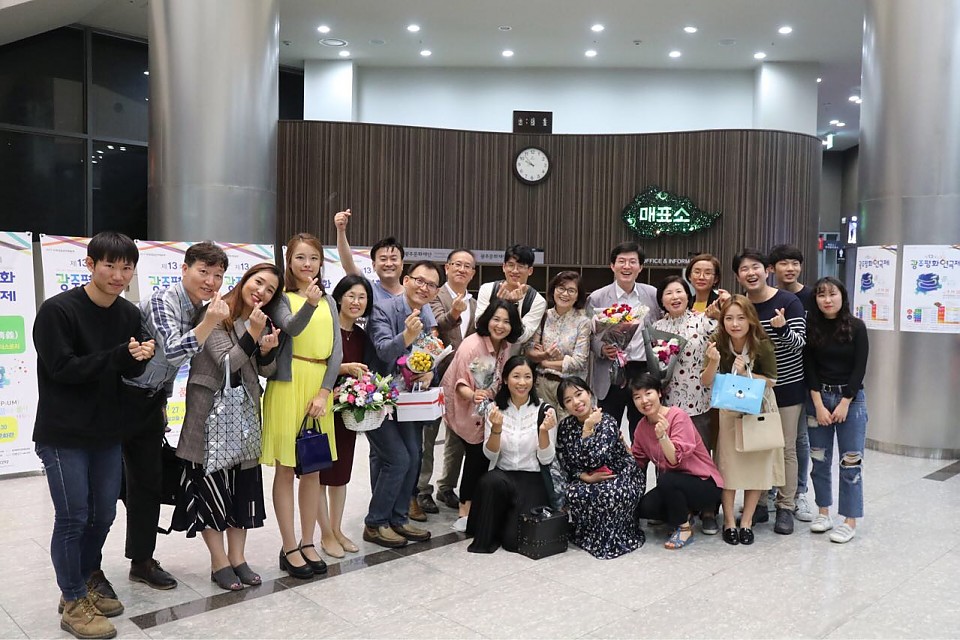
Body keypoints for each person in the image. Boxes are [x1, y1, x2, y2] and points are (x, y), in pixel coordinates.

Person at [33, 232, 154, 639]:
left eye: (126, 268)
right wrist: (120, 356)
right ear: (90, 264)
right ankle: (72, 601)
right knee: (73, 518)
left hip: (106, 431)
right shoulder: (57, 311)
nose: (118, 275)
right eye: (110, 266)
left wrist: (140, 358)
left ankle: (83, 583)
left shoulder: (128, 314)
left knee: (103, 515)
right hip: (62, 433)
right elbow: (62, 369)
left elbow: (127, 370)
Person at [117, 241, 229, 592]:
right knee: (102, 487)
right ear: (184, 269)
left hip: (150, 402)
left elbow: (167, 370)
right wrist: (210, 322)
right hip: (120, 399)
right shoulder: (165, 301)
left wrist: (163, 403)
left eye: (217, 275)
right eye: (203, 272)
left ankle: (142, 561)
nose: (210, 281)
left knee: (147, 484)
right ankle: (86, 570)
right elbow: (174, 351)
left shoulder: (200, 308)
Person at [174, 263, 282, 590]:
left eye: (270, 290)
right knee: (211, 490)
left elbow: (266, 371)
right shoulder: (215, 313)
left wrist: (267, 350)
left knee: (242, 490)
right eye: (258, 282)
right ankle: (219, 561)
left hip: (244, 418)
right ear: (245, 280)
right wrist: (252, 335)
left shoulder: (260, 321)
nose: (261, 292)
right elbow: (226, 363)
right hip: (210, 417)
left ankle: (238, 558)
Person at [261, 233, 343, 578]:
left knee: (313, 468)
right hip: (287, 385)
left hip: (318, 388)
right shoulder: (280, 298)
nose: (307, 264)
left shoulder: (330, 301)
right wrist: (309, 303)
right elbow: (292, 328)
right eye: (300, 258)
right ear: (289, 262)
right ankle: (289, 546)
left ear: (321, 262)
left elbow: (336, 352)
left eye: (313, 258)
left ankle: (309, 541)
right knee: (285, 469)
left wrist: (324, 393)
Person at [362, 260, 441, 547]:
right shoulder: (382, 309)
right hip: (378, 396)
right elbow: (384, 351)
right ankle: (375, 523)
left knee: (414, 456)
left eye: (431, 285)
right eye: (419, 280)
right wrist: (407, 335)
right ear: (406, 280)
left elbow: (428, 355)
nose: (424, 287)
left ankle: (398, 518)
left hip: (409, 399)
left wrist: (430, 371)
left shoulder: (426, 314)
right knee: (397, 458)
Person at [734, 248, 805, 535]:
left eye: (756, 267)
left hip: (787, 386)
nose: (751, 273)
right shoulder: (742, 305)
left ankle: (785, 506)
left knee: (786, 447)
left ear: (767, 270)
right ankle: (759, 504)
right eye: (744, 269)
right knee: (757, 445)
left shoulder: (788, 302)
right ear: (738, 276)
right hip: (755, 387)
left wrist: (783, 329)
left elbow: (800, 344)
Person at [701, 295, 780, 546]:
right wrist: (714, 362)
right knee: (728, 467)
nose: (735, 324)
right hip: (729, 409)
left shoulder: (762, 343)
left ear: (751, 320)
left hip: (758, 409)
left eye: (741, 318)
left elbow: (772, 380)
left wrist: (747, 372)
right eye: (729, 318)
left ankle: (746, 521)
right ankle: (729, 522)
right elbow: (706, 381)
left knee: (755, 465)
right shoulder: (717, 342)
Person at [651, 276, 723, 534]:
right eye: (668, 293)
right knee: (669, 457)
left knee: (701, 459)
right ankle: (676, 509)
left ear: (688, 295)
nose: (675, 297)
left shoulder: (704, 321)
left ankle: (709, 510)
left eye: (679, 291)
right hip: (669, 405)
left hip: (699, 402)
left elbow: (718, 352)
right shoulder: (657, 327)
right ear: (662, 300)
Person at [441, 299, 522, 531]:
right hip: (465, 406)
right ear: (487, 319)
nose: (500, 325)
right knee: (476, 455)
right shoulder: (473, 346)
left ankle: (478, 503)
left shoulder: (504, 345)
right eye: (496, 319)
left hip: (485, 406)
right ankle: (465, 510)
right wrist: (474, 395)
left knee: (485, 454)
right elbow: (460, 384)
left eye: (506, 321)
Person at [467, 356, 558, 553]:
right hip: (503, 475)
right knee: (489, 481)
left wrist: (543, 432)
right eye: (516, 376)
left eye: (527, 377)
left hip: (532, 477)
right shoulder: (493, 409)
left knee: (513, 542)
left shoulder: (545, 411)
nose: (522, 382)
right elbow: (490, 455)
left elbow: (546, 459)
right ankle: (495, 523)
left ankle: (505, 519)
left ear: (534, 380)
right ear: (506, 379)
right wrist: (496, 429)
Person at [803, 277, 869, 544]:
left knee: (850, 461)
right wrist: (819, 405)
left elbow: (860, 368)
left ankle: (849, 520)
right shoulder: (811, 327)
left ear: (843, 296)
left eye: (832, 294)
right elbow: (809, 369)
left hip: (850, 401)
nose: (827, 300)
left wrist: (845, 402)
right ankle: (823, 512)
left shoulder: (857, 327)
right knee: (819, 460)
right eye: (821, 295)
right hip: (818, 398)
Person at [554, 377, 645, 559]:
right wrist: (584, 477)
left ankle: (615, 535)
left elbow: (594, 460)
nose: (576, 402)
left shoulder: (607, 421)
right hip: (588, 477)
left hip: (620, 474)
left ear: (589, 393)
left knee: (609, 494)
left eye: (579, 394)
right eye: (568, 400)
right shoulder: (565, 426)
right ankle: (588, 535)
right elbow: (566, 460)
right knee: (572, 492)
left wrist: (587, 428)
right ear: (564, 407)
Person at [630, 374, 724, 550]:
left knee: (667, 479)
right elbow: (636, 461)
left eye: (648, 393)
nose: (644, 401)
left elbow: (674, 459)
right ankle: (685, 513)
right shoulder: (642, 427)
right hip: (675, 485)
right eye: (637, 397)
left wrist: (663, 437)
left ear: (659, 393)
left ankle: (684, 528)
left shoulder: (678, 416)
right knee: (645, 507)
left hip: (704, 483)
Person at [316, 274, 374, 558]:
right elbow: (313, 365)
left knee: (340, 475)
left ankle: (337, 529)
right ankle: (325, 533)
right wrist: (343, 369)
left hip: (345, 414)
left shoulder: (362, 336)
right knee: (317, 475)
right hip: (320, 408)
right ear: (338, 297)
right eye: (351, 295)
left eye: (362, 297)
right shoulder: (325, 327)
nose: (356, 302)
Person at [421, 249, 477, 512]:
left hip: (463, 380)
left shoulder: (475, 303)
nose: (461, 269)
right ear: (447, 268)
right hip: (434, 376)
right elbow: (437, 325)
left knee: (457, 436)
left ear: (473, 273)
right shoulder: (434, 294)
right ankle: (422, 489)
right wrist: (454, 312)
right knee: (428, 436)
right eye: (457, 264)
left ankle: (446, 487)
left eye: (467, 266)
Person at [587, 242, 662, 440]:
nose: (626, 266)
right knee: (606, 430)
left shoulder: (653, 295)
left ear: (640, 267)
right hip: (610, 370)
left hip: (642, 369)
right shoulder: (597, 297)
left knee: (642, 430)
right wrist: (602, 348)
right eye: (621, 261)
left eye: (632, 262)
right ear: (612, 266)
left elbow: (662, 326)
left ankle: (640, 461)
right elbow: (588, 335)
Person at [768, 243, 816, 523]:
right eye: (784, 263)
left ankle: (798, 493)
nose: (790, 269)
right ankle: (771, 489)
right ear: (772, 268)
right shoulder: (768, 296)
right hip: (773, 379)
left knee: (798, 439)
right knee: (770, 436)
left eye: (795, 263)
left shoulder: (811, 297)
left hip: (803, 377)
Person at [525, 270, 591, 418]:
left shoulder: (583, 322)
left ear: (578, 295)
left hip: (570, 388)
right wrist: (544, 355)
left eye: (571, 290)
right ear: (553, 290)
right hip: (542, 384)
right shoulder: (544, 316)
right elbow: (529, 350)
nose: (565, 294)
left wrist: (545, 362)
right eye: (561, 288)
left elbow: (579, 361)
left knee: (568, 429)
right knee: (543, 427)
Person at [475, 244, 546, 353]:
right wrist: (497, 304)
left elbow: (521, 337)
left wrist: (514, 306)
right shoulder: (487, 289)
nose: (515, 271)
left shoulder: (537, 301)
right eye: (511, 265)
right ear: (504, 267)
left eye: (521, 266)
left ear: (530, 270)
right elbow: (478, 325)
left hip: (512, 357)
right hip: (482, 352)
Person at [334, 208, 405, 302]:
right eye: (383, 259)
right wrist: (341, 230)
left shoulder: (413, 294)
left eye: (393, 259)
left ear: (402, 264)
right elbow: (348, 265)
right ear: (374, 265)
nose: (388, 264)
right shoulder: (369, 290)